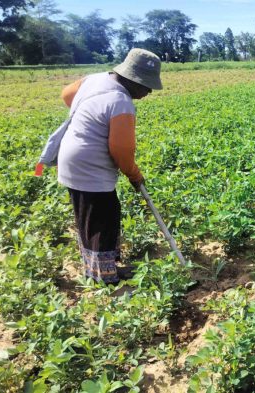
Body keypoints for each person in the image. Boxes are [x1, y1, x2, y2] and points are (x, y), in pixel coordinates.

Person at [57, 48, 163, 284]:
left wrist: (89, 121)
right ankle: (103, 280)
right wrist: (135, 175)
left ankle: (103, 270)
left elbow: (66, 95)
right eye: (146, 86)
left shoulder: (95, 80)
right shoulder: (121, 102)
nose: (148, 92)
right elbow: (122, 152)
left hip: (73, 159)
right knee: (100, 220)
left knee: (96, 215)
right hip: (89, 167)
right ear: (133, 80)